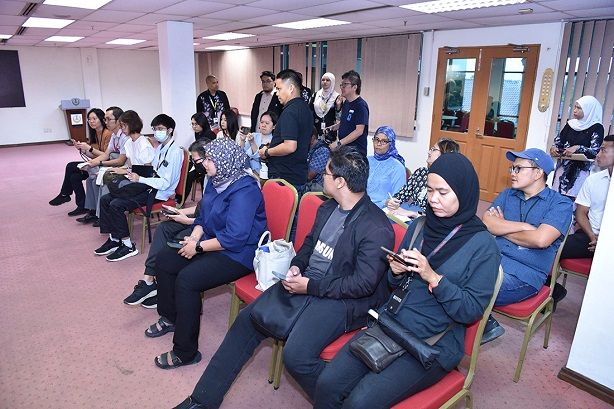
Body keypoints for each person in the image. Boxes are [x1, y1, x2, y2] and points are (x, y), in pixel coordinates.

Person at [172, 147, 395, 409]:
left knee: (297, 357)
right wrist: (297, 266)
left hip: (343, 299)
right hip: (308, 282)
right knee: (248, 320)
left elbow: (363, 284)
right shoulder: (327, 208)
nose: (320, 177)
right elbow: (309, 245)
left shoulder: (376, 226)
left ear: (340, 182)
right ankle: (202, 401)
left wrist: (310, 286)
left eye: (325, 173)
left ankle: (341, 402)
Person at [313, 152, 501, 409]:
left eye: (443, 192)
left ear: (463, 192)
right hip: (392, 323)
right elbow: (394, 285)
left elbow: (470, 311)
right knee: (327, 383)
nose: (433, 199)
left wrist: (434, 277)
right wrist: (397, 271)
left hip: (433, 342)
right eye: (430, 190)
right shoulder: (420, 226)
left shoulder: (483, 246)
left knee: (360, 402)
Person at [146, 138, 266, 371]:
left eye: (210, 159)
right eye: (207, 158)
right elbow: (203, 217)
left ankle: (185, 352)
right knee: (165, 260)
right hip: (213, 240)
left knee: (188, 279)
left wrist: (198, 247)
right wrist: (194, 237)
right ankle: (171, 318)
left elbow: (235, 237)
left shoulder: (246, 190)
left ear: (225, 161)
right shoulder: (215, 179)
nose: (205, 163)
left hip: (240, 254)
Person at [481, 148, 572, 343]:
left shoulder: (560, 204)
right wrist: (525, 227)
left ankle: (478, 328)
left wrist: (502, 227)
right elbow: (487, 222)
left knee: (469, 286)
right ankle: (485, 324)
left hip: (524, 275)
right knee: (450, 272)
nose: (512, 173)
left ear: (538, 173)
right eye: (512, 168)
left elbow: (541, 240)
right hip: (492, 260)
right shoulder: (508, 195)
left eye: (519, 169)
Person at [94, 114, 184, 262]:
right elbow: (151, 170)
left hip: (158, 192)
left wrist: (140, 179)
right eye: (155, 129)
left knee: (116, 204)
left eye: (160, 129)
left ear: (170, 130)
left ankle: (128, 246)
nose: (157, 132)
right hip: (149, 185)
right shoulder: (160, 148)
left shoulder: (175, 152)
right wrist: (134, 175)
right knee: (105, 199)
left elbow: (166, 183)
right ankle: (115, 239)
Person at [258, 69, 313, 192]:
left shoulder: (290, 111)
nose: (276, 93)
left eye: (279, 89)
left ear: (291, 88)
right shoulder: (305, 108)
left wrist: (267, 152)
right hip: (297, 173)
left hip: (285, 177)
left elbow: (290, 146)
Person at [49, 108, 111, 216]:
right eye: (89, 119)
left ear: (102, 119)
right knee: (74, 177)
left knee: (70, 166)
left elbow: (106, 156)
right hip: (96, 163)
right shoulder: (94, 133)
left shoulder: (108, 134)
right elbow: (94, 155)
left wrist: (89, 148)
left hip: (104, 165)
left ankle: (65, 194)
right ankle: (82, 206)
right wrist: (83, 149)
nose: (91, 121)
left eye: (94, 118)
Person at [561, 134, 613, 260]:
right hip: (589, 237)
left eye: (603, 150)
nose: (598, 155)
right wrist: (592, 237)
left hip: (610, 241)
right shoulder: (593, 180)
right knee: (557, 247)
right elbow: (581, 213)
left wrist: (605, 242)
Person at [77, 106, 129, 226]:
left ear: (119, 121)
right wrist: (90, 163)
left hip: (123, 168)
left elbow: (121, 161)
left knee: (102, 180)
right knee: (91, 179)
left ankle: (103, 216)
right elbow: (106, 154)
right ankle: (93, 211)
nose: (105, 122)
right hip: (114, 165)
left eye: (108, 119)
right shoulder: (114, 135)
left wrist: (99, 163)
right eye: (105, 119)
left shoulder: (124, 137)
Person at [386, 138, 460, 218]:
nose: (429, 152)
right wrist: (391, 202)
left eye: (433, 150)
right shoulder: (421, 172)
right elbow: (401, 195)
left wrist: (414, 214)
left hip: (426, 221)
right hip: (407, 216)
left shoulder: (449, 181)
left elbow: (443, 215)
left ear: (444, 154)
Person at [550, 95, 604, 199]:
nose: (574, 110)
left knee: (572, 201)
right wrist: (554, 148)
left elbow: (595, 152)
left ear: (589, 110)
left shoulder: (597, 127)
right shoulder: (570, 124)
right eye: (575, 107)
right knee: (556, 199)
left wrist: (578, 148)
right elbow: (558, 142)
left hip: (579, 173)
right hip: (562, 169)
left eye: (579, 108)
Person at [326, 70, 369, 156]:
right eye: (341, 85)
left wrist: (339, 143)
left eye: (345, 84)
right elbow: (345, 122)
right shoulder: (346, 102)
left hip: (355, 152)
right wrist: (332, 128)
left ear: (355, 87)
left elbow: (359, 131)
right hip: (344, 150)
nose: (342, 87)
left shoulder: (361, 105)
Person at [367, 126, 406, 208]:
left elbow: (397, 200)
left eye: (384, 141)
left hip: (382, 210)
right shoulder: (366, 160)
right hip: (360, 206)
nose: (378, 144)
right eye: (376, 139)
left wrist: (385, 203)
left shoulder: (397, 167)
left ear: (391, 144)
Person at [238, 111, 277, 178]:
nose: (263, 125)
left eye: (267, 123)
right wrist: (242, 140)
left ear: (274, 126)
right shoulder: (254, 135)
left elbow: (260, 158)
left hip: (261, 175)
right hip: (246, 171)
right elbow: (241, 153)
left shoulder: (274, 141)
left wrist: (252, 142)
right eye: (262, 122)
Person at [305, 126, 330, 192]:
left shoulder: (323, 151)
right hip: (308, 183)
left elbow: (309, 176)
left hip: (318, 187)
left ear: (313, 137)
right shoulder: (307, 148)